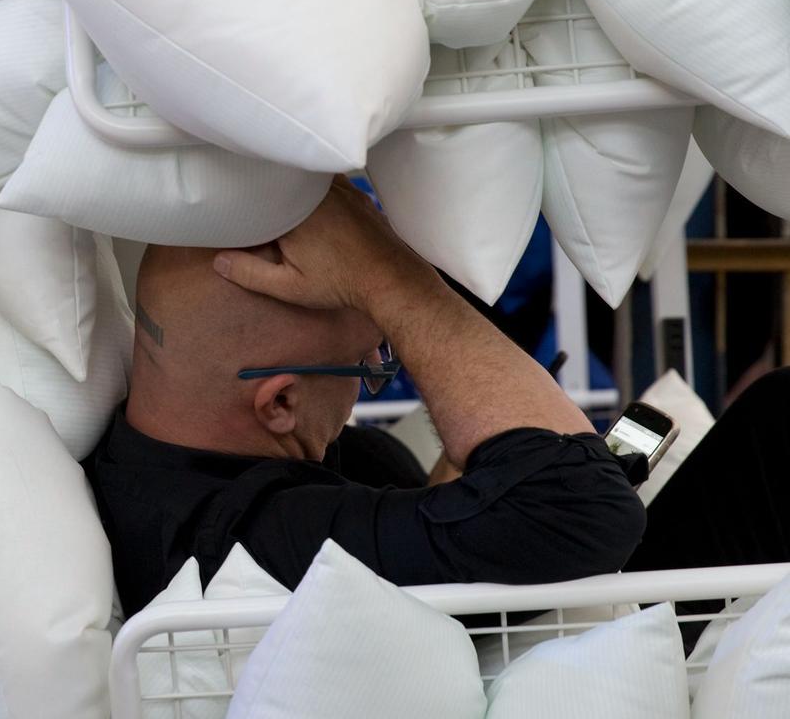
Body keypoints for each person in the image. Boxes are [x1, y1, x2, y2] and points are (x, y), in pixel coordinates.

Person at [82, 180, 790, 620]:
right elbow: (587, 512)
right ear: (279, 404)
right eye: (371, 362)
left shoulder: (173, 454)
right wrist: (389, 279)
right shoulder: (246, 537)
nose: (368, 385)